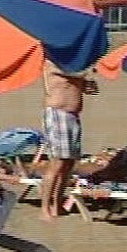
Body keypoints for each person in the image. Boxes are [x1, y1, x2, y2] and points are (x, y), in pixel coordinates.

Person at [39, 59, 90, 220]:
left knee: (68, 164)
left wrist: (85, 86)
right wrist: (89, 72)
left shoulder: (72, 63)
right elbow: (73, 73)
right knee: (57, 162)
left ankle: (57, 204)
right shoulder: (52, 60)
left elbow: (74, 81)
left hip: (72, 116)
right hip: (57, 114)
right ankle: (44, 208)